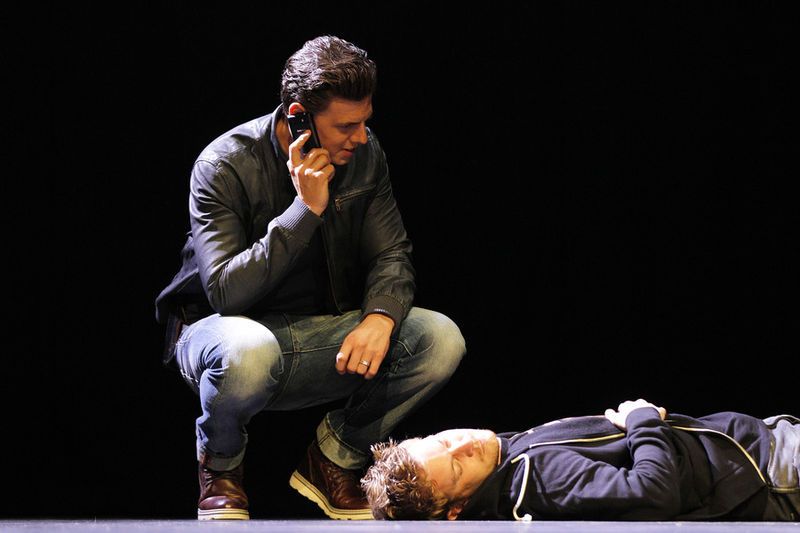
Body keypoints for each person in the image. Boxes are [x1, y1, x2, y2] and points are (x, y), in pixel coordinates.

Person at [154, 35, 466, 521]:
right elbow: (225, 293)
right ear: (299, 115)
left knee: (439, 339)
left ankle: (335, 459)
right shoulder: (224, 164)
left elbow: (391, 253)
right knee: (248, 350)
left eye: (365, 121)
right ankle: (221, 466)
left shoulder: (365, 156)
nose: (360, 137)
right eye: (346, 126)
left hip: (317, 336)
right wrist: (305, 210)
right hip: (222, 337)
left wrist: (380, 318)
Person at [361, 399, 799, 521]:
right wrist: (642, 419)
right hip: (769, 470)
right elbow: (653, 492)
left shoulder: (505, 459)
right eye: (456, 467)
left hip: (758, 446)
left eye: (442, 440)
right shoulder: (537, 480)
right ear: (456, 509)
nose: (464, 444)